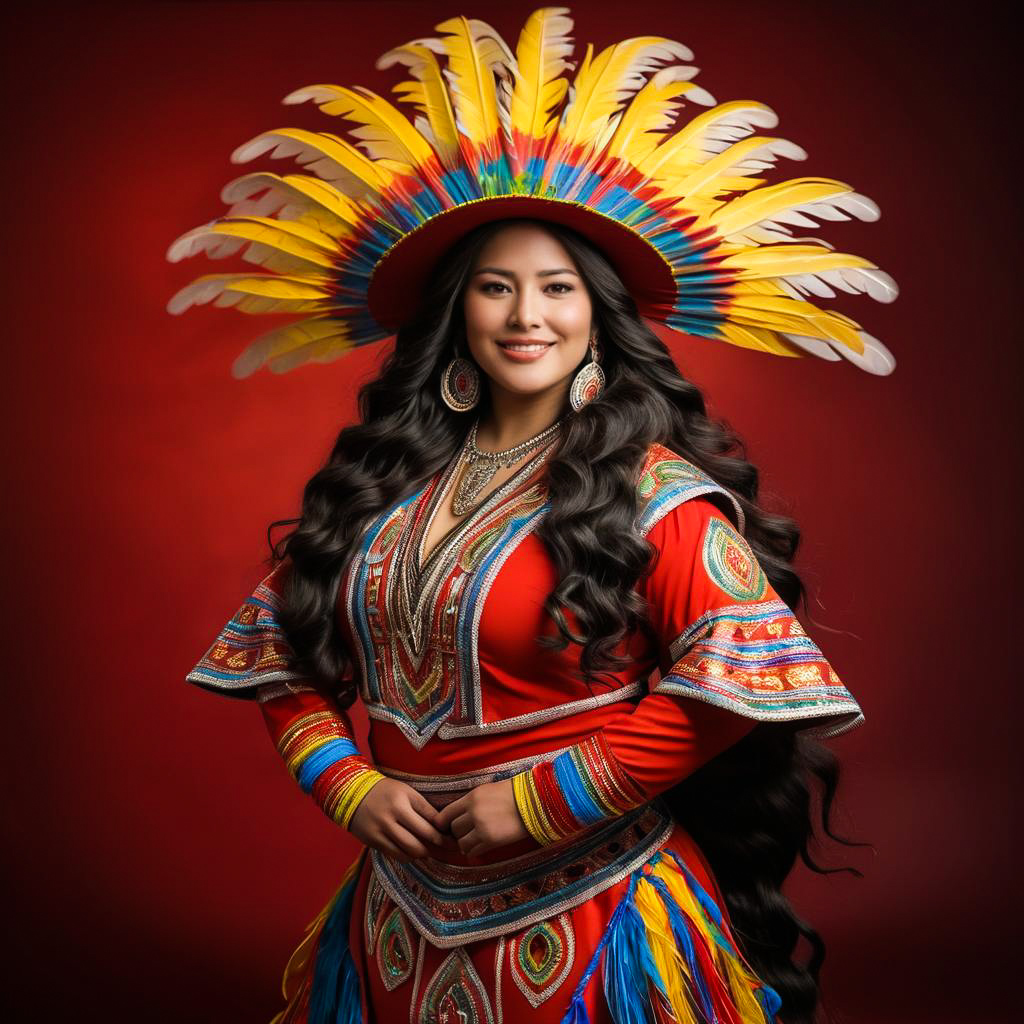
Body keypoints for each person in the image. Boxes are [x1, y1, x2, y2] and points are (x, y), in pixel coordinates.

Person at [168, 8, 896, 1023]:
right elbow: (280, 660)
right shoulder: (382, 486)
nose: (526, 316)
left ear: (595, 313)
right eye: (495, 288)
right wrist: (349, 783)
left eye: (556, 288)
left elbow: (736, 687)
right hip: (393, 928)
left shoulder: (656, 493)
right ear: (454, 315)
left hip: (601, 925)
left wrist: (540, 800)